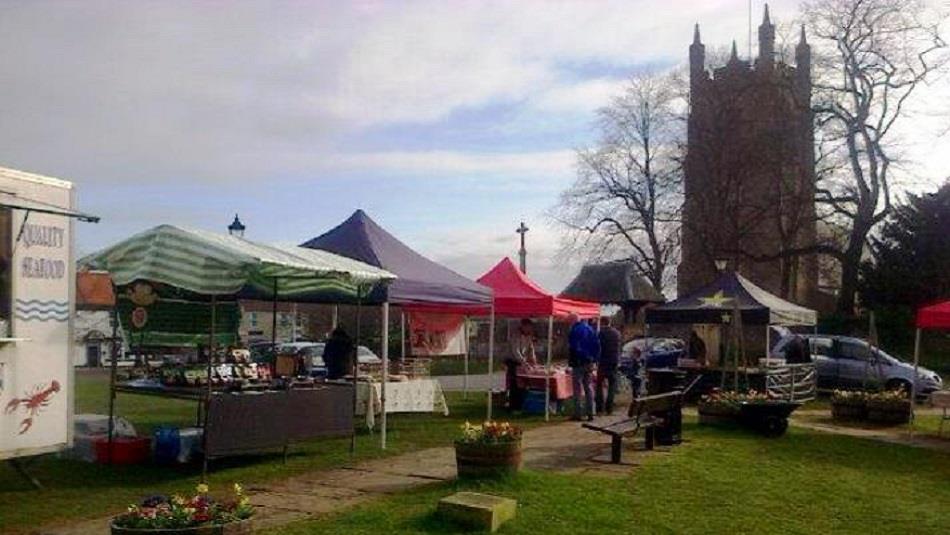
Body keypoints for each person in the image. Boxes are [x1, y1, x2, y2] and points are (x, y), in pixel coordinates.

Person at [568, 313, 600, 421]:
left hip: (578, 362)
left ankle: (578, 413)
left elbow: (574, 347)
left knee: (577, 389)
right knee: (589, 387)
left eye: (569, 320)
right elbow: (597, 345)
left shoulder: (574, 331)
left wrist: (580, 356)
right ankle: (591, 412)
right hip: (589, 362)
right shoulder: (591, 329)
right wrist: (594, 359)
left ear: (573, 320)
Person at [505, 318, 537, 411]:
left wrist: (533, 360)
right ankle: (513, 406)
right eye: (528, 327)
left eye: (530, 327)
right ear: (523, 326)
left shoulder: (529, 336)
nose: (529, 329)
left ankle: (522, 404)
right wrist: (523, 362)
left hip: (522, 362)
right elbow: (516, 351)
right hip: (513, 362)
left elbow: (531, 349)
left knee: (523, 383)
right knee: (514, 384)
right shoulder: (515, 335)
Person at [595, 316, 622, 415]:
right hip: (613, 361)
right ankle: (609, 408)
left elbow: (597, 347)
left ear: (602, 323)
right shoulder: (617, 333)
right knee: (612, 385)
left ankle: (599, 408)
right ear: (610, 322)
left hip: (602, 362)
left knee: (599, 385)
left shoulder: (600, 334)